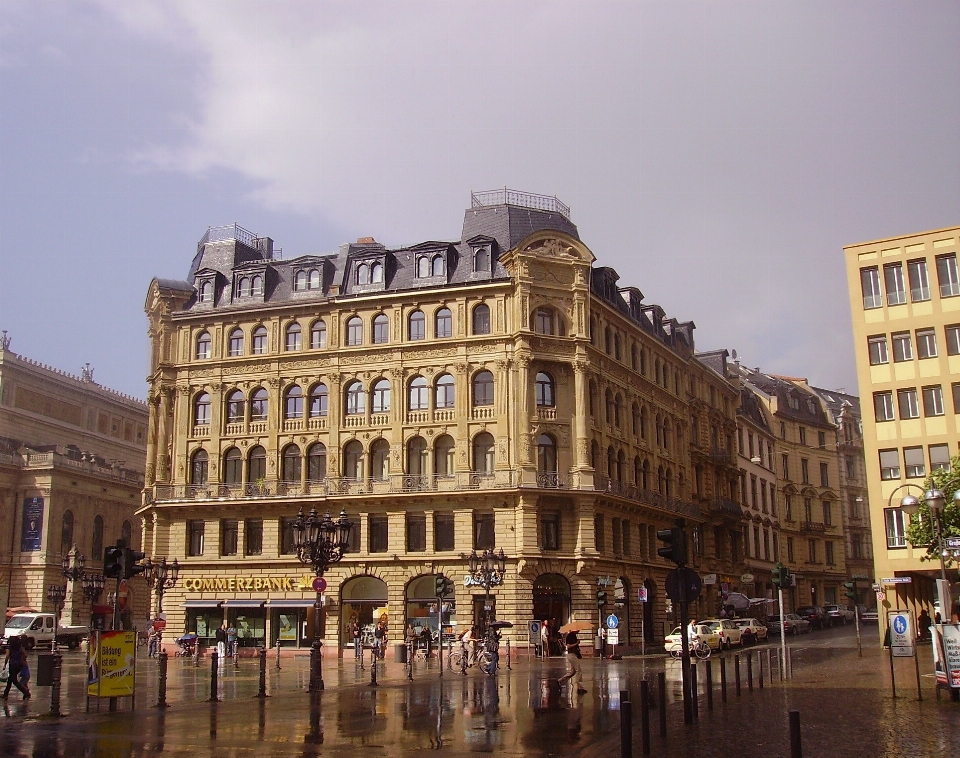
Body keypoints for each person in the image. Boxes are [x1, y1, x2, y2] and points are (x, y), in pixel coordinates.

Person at [558, 629, 586, 694]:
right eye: (578, 629)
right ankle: (580, 688)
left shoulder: (574, 635)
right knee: (578, 670)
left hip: (574, 655)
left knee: (572, 672)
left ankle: (560, 681)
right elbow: (568, 646)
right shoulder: (570, 636)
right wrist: (577, 643)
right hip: (571, 655)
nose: (579, 630)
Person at [2, 636, 31, 700]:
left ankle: (26, 692)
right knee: (10, 679)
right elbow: (25, 655)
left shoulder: (9, 648)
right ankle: (5, 694)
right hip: (19, 665)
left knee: (14, 680)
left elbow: (7, 656)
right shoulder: (20, 647)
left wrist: (5, 665)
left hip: (12, 665)